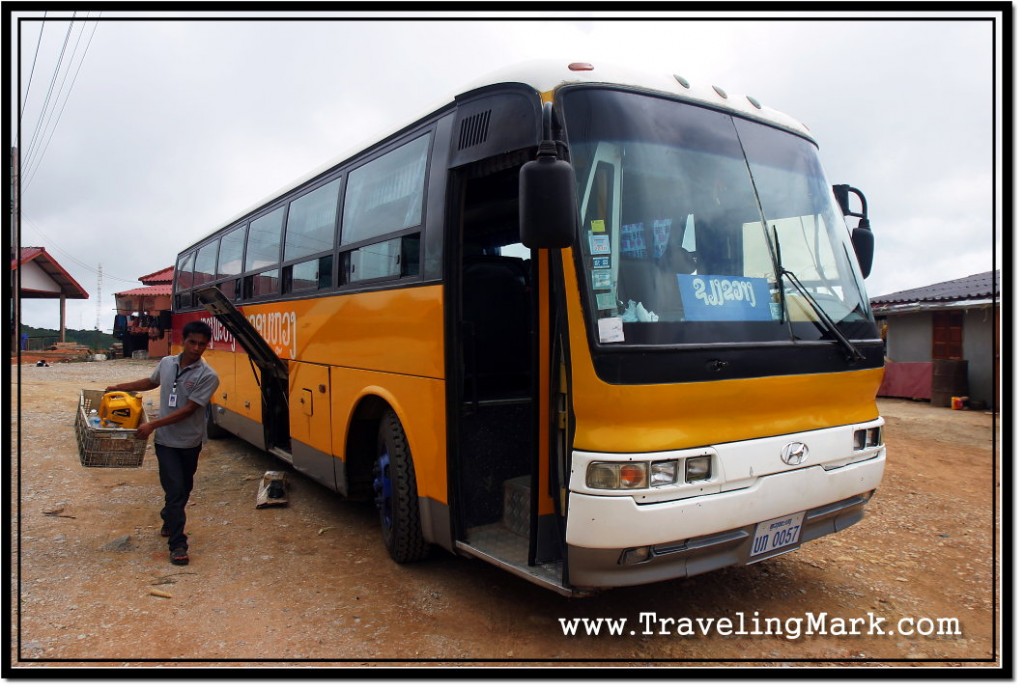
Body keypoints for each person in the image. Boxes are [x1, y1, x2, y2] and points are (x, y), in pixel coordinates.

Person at [106, 320, 219, 566]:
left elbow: (189, 410)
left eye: (202, 344)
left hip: (190, 442)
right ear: (183, 341)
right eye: (192, 342)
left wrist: (151, 425)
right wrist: (119, 388)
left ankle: (169, 516)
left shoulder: (208, 376)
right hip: (166, 442)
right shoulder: (167, 363)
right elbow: (151, 382)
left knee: (182, 489)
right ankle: (178, 545)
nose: (197, 348)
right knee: (176, 488)